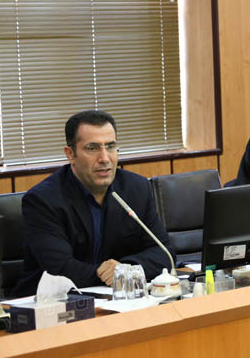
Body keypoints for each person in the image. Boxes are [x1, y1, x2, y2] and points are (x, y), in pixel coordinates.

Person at [12, 110, 174, 297]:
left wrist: (125, 268)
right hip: (50, 303)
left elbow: (164, 252)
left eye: (111, 147)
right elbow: (60, 270)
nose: (104, 158)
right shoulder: (43, 200)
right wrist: (115, 274)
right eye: (92, 148)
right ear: (70, 154)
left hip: (115, 299)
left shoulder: (136, 189)